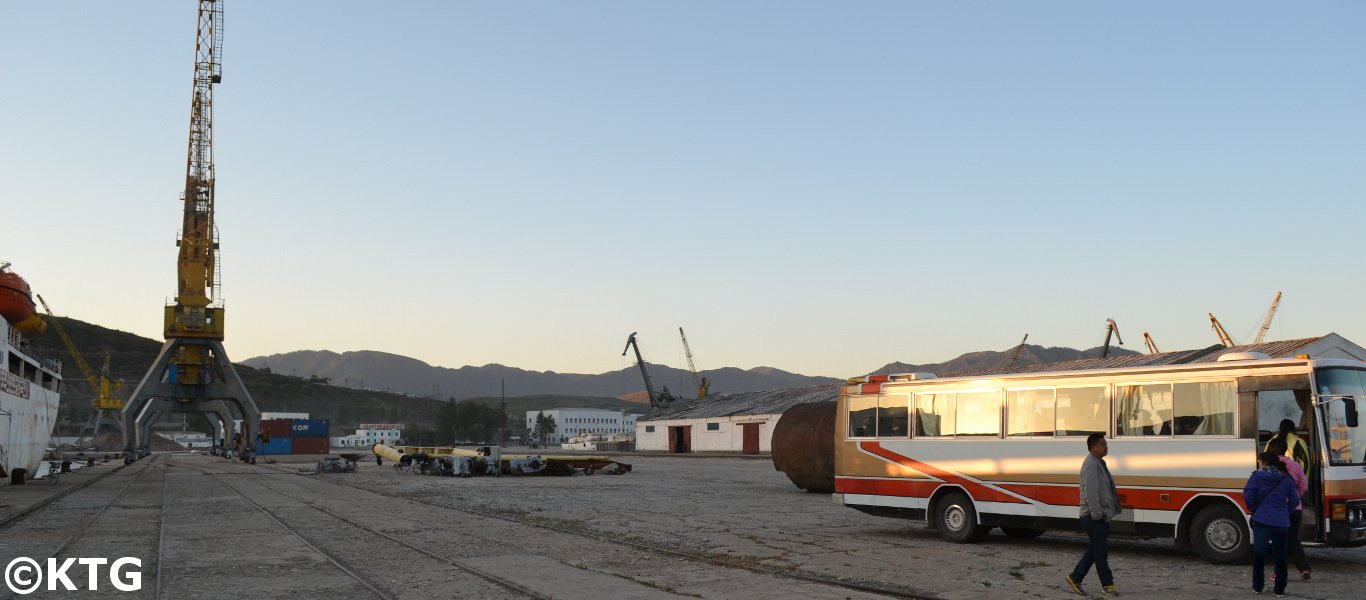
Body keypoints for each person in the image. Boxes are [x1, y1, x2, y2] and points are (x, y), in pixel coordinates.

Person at [1066, 433, 1122, 597]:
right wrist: (1098, 514)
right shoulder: (1091, 464)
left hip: (1098, 516)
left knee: (1095, 550)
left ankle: (1075, 577)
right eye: (1103, 444)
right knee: (1100, 552)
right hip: (1093, 517)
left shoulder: (1098, 462)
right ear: (1093, 447)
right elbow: (1091, 493)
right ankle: (1107, 585)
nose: (1106, 447)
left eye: (1106, 444)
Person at [1245, 451, 1300, 597]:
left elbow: (1248, 496)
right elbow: (1295, 500)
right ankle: (1279, 589)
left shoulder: (1257, 476)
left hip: (1262, 521)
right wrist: (1284, 512)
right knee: (1280, 555)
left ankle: (1258, 586)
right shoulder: (1286, 479)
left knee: (1259, 553)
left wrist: (1255, 510)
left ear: (1263, 462)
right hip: (1281, 523)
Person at [1266, 438, 1312, 581]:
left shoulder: (1269, 467)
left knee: (1279, 541)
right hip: (1295, 508)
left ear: (1271, 450)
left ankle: (1278, 572)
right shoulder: (1295, 466)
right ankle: (1304, 569)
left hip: (1278, 509)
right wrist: (1295, 496)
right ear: (1286, 450)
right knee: (1293, 539)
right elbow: (1304, 486)